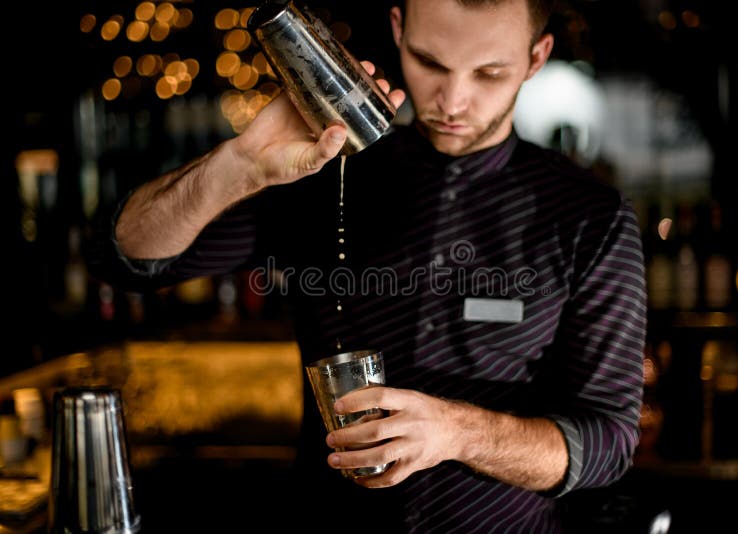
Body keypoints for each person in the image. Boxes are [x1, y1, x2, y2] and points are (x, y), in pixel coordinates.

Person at [88, 0, 647, 531]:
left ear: (536, 58)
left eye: (489, 74)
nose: (452, 100)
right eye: (429, 63)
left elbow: (608, 442)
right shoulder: (323, 170)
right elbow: (126, 259)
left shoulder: (588, 218)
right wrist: (240, 165)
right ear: (399, 29)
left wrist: (460, 433)